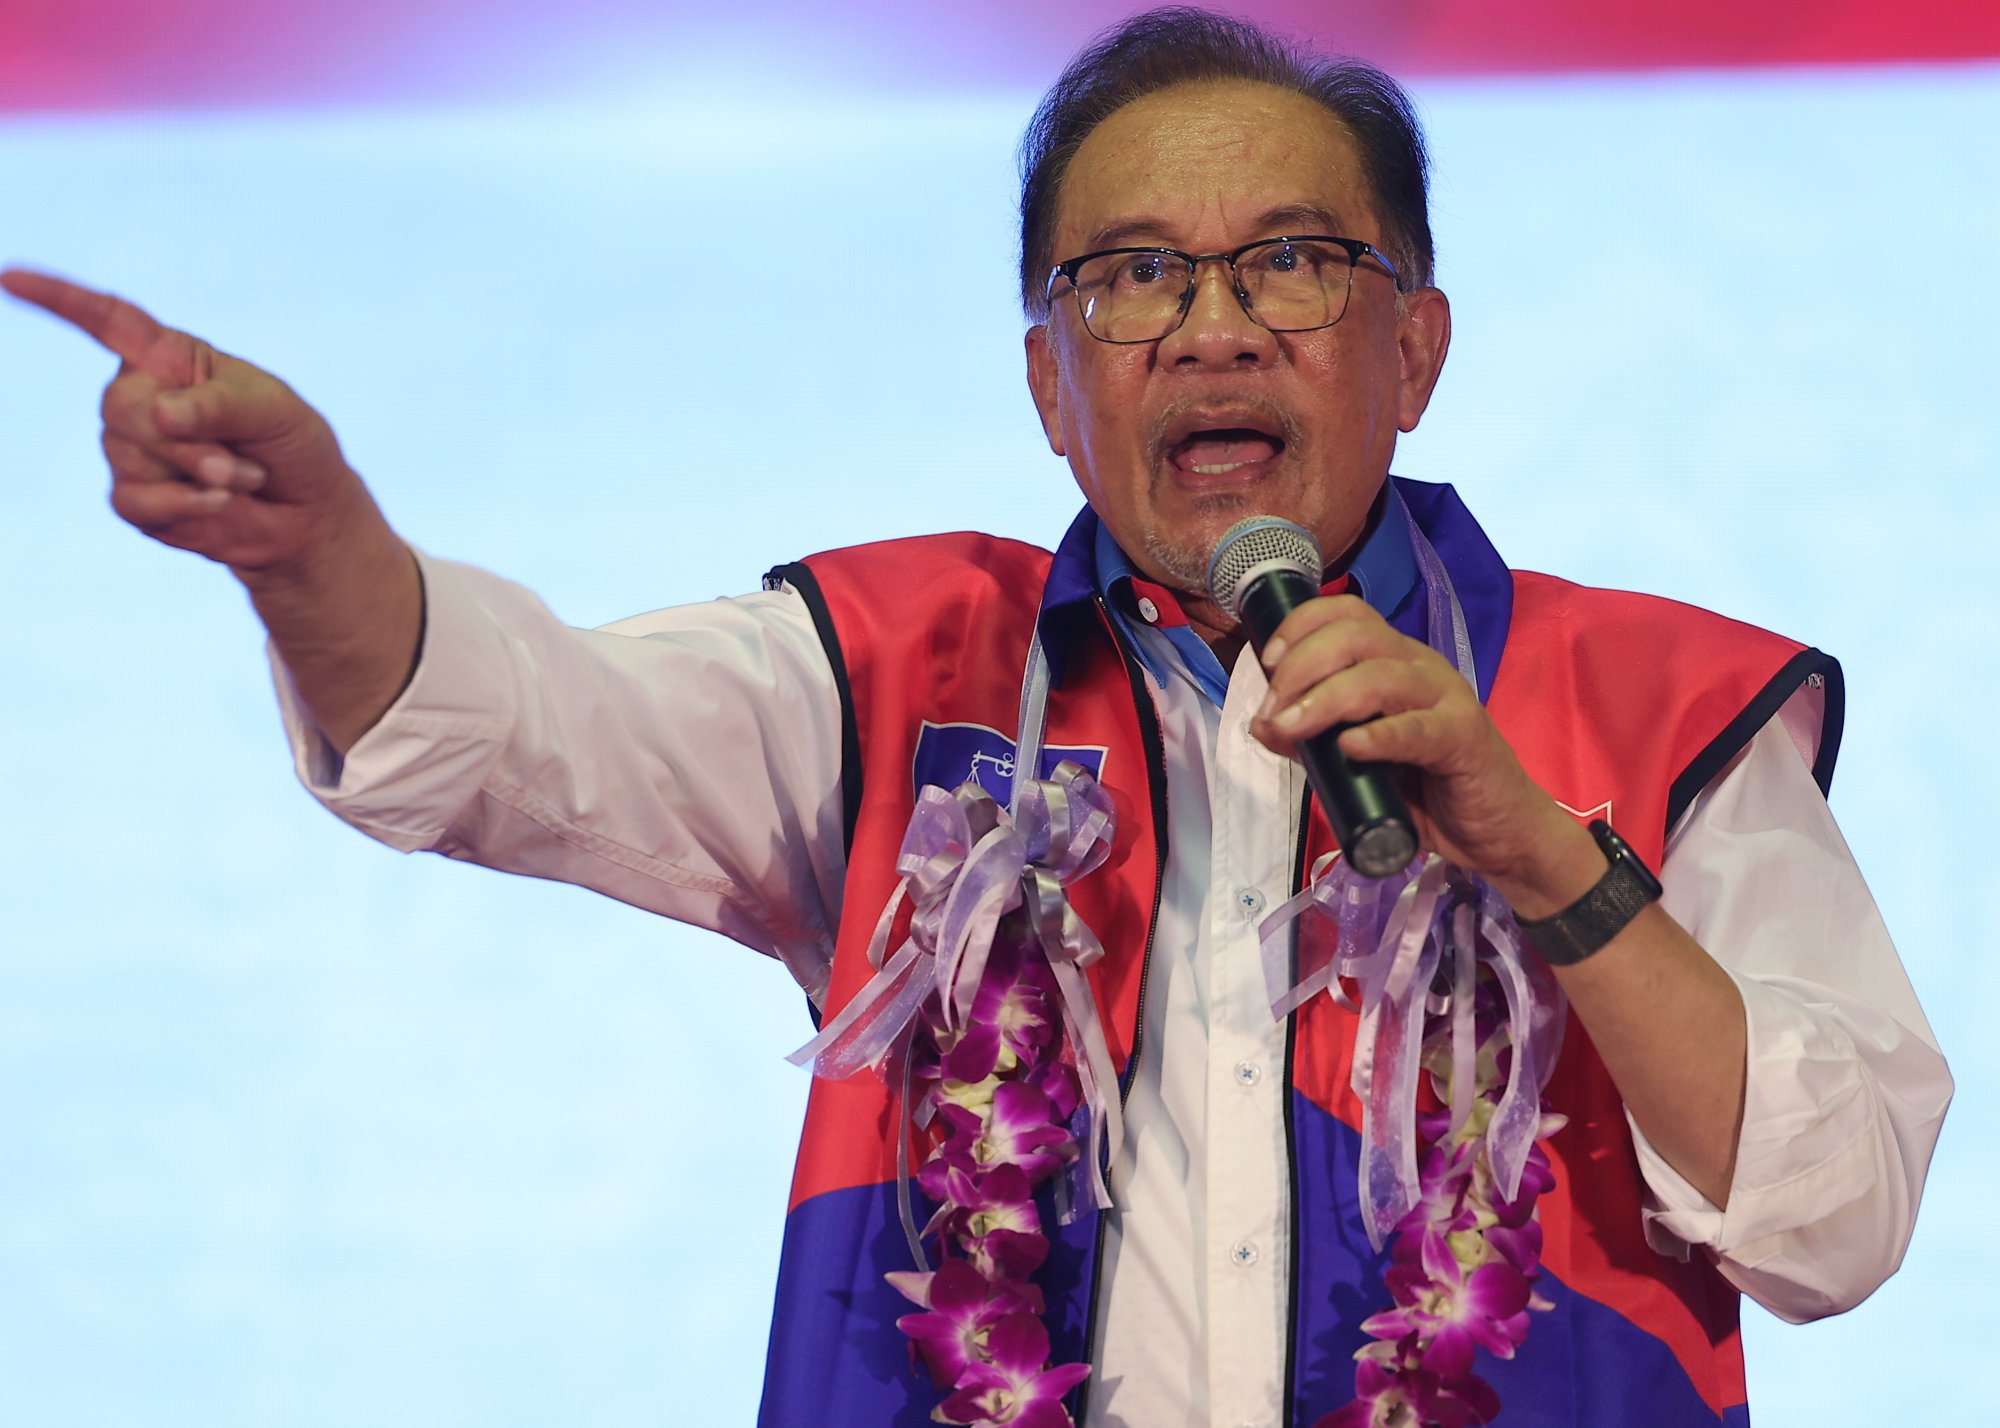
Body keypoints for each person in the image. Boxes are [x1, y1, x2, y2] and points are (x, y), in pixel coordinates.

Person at [1, 9, 1951, 1427]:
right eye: (1127, 279)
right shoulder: (892, 672)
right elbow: (508, 732)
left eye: (1289, 260)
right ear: (1047, 385)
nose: (1208, 327)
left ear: (1414, 346)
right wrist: (316, 545)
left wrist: (1540, 853)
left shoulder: (1662, 702)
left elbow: (1837, 1216)